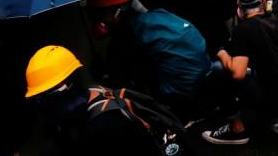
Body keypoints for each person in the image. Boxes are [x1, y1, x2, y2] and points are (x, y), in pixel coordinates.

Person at [202, 0, 278, 145]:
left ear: (239, 6)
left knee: (218, 71)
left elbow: (237, 74)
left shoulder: (243, 30)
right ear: (265, 1)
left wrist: (221, 52)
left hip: (272, 93)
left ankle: (237, 130)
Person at [24, 45, 180, 155]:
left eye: (48, 95)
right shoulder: (94, 91)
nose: (44, 104)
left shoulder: (102, 125)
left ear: (70, 84)